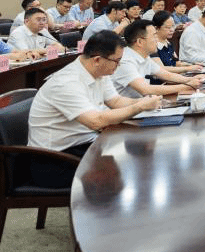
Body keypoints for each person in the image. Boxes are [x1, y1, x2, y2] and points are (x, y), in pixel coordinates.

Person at [27, 31, 162, 188]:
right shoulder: (66, 82)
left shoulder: (99, 72)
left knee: (140, 155)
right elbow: (95, 122)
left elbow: (116, 101)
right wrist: (139, 106)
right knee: (130, 169)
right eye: (117, 61)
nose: (118, 66)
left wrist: (144, 101)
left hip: (86, 146)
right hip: (55, 160)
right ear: (97, 60)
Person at [111, 21, 203, 98]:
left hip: (142, 105)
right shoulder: (125, 61)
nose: (157, 40)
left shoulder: (143, 56)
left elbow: (166, 75)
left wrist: (190, 79)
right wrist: (187, 86)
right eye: (154, 36)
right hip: (127, 110)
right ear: (140, 42)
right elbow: (145, 89)